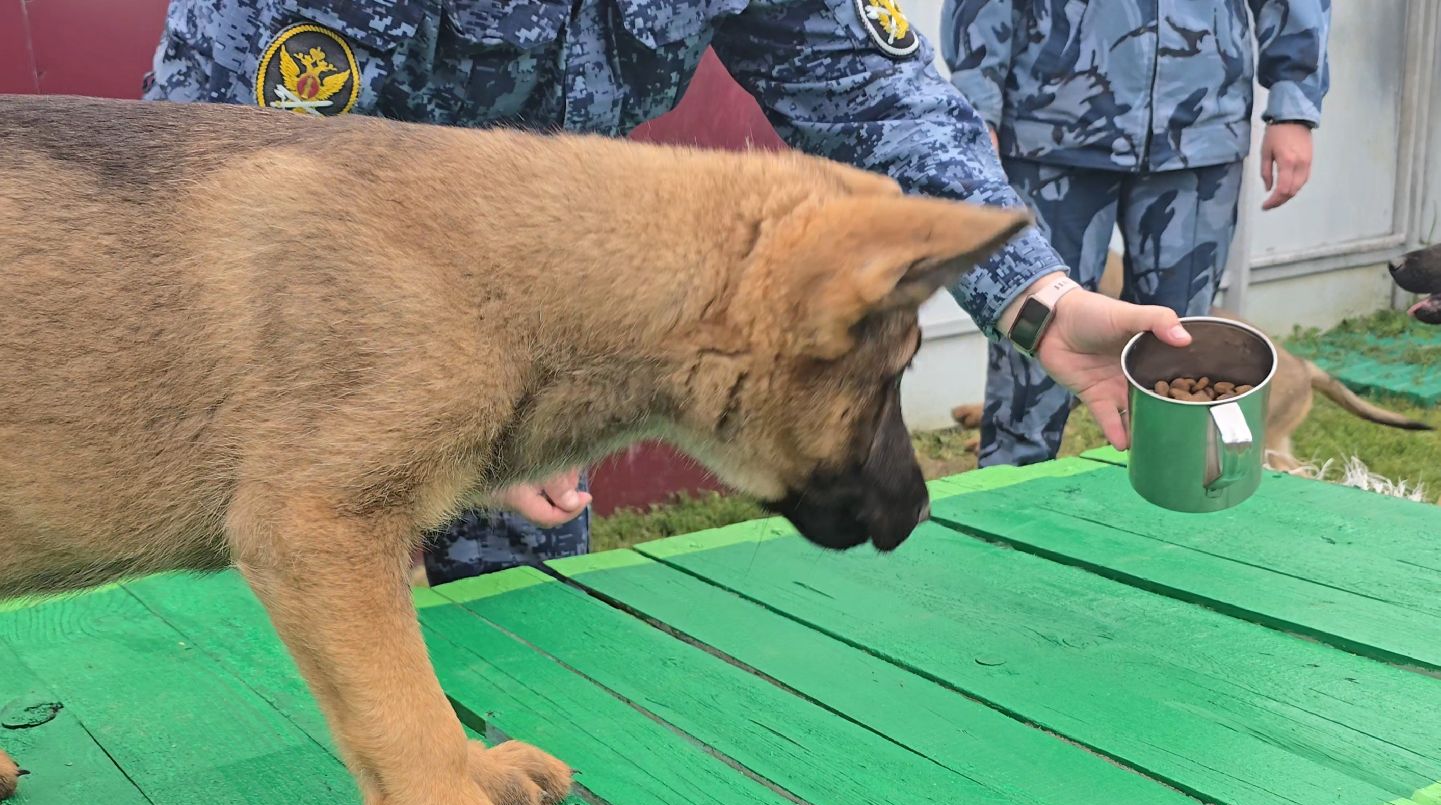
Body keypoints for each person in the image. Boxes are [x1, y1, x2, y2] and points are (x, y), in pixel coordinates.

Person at [142, 0, 1195, 581]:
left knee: (535, 670)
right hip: (318, 365)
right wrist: (435, 413)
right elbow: (205, 169)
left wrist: (1039, 302)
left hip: (558, 356)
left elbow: (872, 90)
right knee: (270, 706)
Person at [941, 0, 1331, 468]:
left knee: (1178, 344)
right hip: (1050, 122)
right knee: (1034, 325)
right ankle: (1009, 490)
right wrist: (976, 105)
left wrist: (1293, 105)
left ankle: (1166, 491)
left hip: (1200, 127)